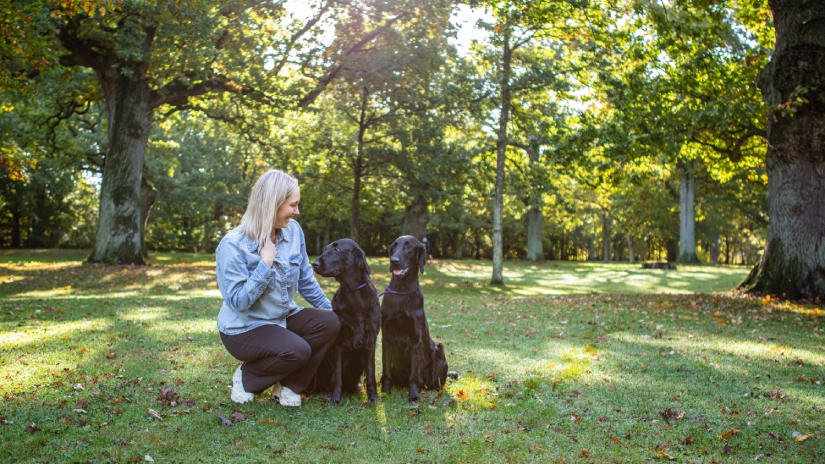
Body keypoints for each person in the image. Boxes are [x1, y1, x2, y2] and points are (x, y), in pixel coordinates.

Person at [215, 169, 339, 407]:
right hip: (244, 327)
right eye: (293, 205)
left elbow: (305, 280)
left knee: (331, 322)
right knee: (298, 350)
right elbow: (239, 302)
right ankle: (246, 378)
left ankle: (288, 386)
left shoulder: (294, 231)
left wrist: (333, 311)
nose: (297, 211)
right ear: (273, 204)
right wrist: (265, 264)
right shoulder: (232, 245)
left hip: (281, 317)